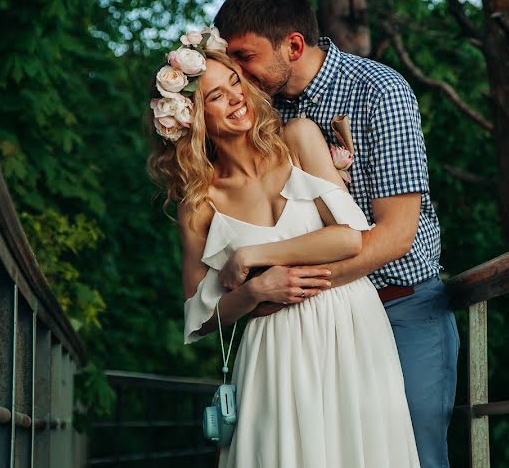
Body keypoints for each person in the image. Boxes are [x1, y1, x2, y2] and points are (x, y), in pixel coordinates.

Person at [214, 0, 460, 468]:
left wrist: (296, 284)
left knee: (412, 451)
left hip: (401, 309)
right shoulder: (256, 114)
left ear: (294, 45)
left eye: (245, 57)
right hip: (304, 326)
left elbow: (395, 236)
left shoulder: (379, 92)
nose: (237, 73)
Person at [147, 29, 420, 468]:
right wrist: (255, 292)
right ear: (193, 118)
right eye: (217, 95)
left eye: (237, 82)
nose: (236, 98)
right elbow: (198, 315)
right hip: (273, 345)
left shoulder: (298, 138)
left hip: (349, 324)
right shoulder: (199, 204)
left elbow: (349, 236)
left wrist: (252, 258)